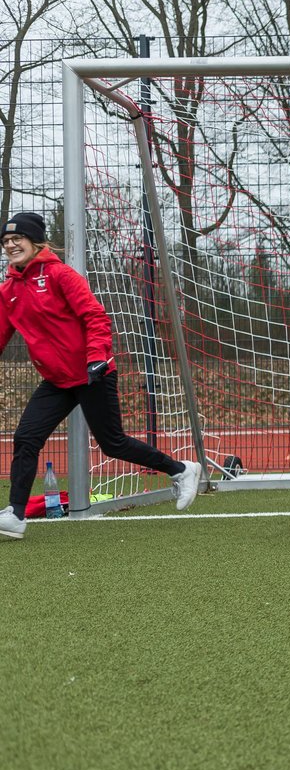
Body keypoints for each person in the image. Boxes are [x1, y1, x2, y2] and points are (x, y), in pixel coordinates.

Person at [0, 212, 201, 541]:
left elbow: (95, 316)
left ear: (35, 242)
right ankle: (16, 515)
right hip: (57, 380)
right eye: (5, 242)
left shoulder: (61, 275)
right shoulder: (8, 290)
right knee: (26, 438)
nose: (10, 245)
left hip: (93, 373)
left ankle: (181, 469)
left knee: (113, 443)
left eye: (16, 239)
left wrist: (96, 357)